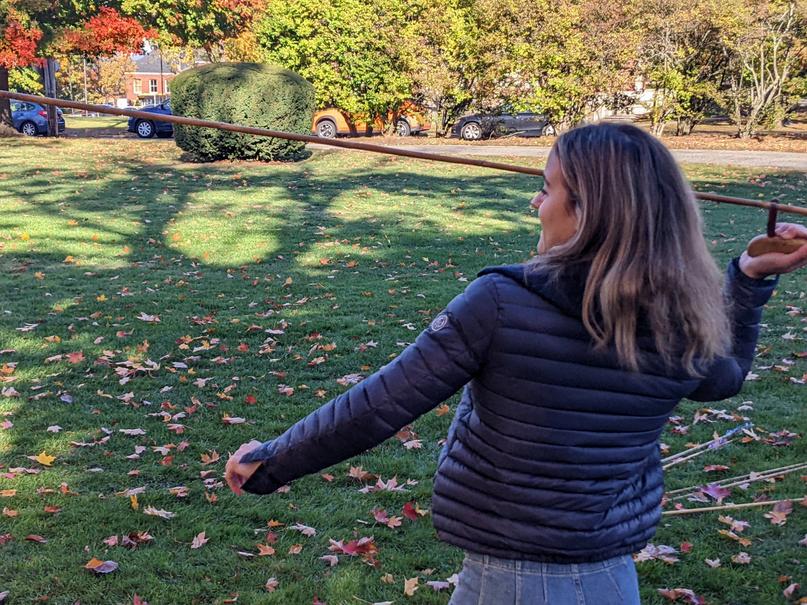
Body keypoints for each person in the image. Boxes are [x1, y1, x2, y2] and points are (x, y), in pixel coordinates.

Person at [225, 122, 807, 604]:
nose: (536, 202)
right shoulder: (680, 315)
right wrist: (747, 280)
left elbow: (380, 404)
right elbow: (725, 378)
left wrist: (271, 460)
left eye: (547, 189)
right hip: (602, 576)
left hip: (525, 583)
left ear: (586, 212)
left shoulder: (501, 304)